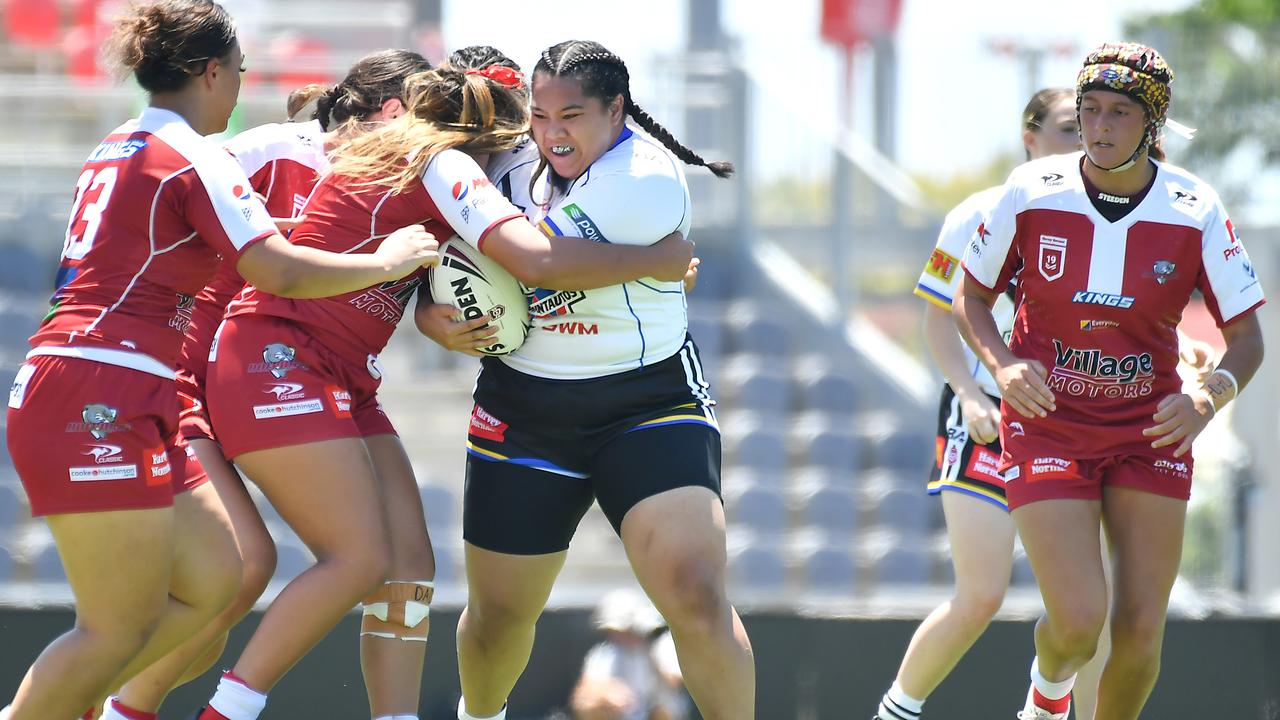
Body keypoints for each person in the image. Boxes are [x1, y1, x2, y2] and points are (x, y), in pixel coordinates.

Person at [191, 59, 692, 720]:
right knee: (358, 558)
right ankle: (227, 710)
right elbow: (536, 260)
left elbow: (425, 288)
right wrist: (657, 260)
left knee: (408, 567)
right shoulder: (445, 165)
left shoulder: (400, 155)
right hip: (281, 358)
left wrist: (440, 322)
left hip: (338, 373)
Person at [0, 2, 438, 718]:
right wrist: (383, 261)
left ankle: (107, 707)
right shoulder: (200, 155)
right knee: (116, 629)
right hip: (100, 388)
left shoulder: (122, 141)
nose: (241, 87)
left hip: (122, 383)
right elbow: (280, 271)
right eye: (238, 71)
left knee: (220, 580)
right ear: (210, 73)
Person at [954, 42, 1264, 720]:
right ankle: (1049, 696)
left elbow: (1248, 341)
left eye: (1119, 112)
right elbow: (970, 297)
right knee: (1076, 625)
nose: (1098, 126)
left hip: (1150, 429)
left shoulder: (1195, 208)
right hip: (1048, 423)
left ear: (1152, 125)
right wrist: (1004, 365)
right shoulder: (1031, 191)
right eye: (1090, 109)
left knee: (1140, 636)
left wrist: (1207, 401)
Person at [452, 40, 754, 720]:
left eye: (574, 115)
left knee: (697, 592)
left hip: (646, 402)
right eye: (539, 115)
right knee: (496, 619)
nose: (553, 132)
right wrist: (434, 318)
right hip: (522, 405)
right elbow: (451, 270)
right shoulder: (501, 164)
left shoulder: (644, 176)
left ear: (618, 111)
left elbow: (540, 265)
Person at [875, 87, 1100, 720]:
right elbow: (940, 324)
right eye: (1066, 127)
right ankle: (895, 711)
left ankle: (1055, 706)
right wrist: (973, 396)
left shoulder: (1108, 220)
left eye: (1087, 129)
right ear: (1028, 136)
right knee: (979, 596)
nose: (1082, 140)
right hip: (992, 422)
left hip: (1080, 428)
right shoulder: (979, 212)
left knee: (1092, 606)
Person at [570, 589, 688, 720]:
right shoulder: (606, 653)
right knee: (588, 704)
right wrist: (608, 693)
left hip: (659, 712)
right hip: (625, 714)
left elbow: (675, 680)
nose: (619, 636)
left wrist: (658, 657)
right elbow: (585, 690)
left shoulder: (662, 647)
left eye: (624, 630)